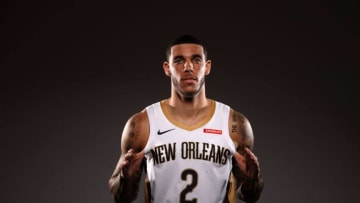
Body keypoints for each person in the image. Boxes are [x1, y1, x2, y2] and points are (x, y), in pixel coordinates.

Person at [108, 34, 264, 203]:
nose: (188, 67)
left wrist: (252, 180)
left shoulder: (234, 124)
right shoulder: (142, 124)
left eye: (196, 60)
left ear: (207, 67)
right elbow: (121, 197)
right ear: (167, 68)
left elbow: (248, 196)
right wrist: (126, 178)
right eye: (179, 60)